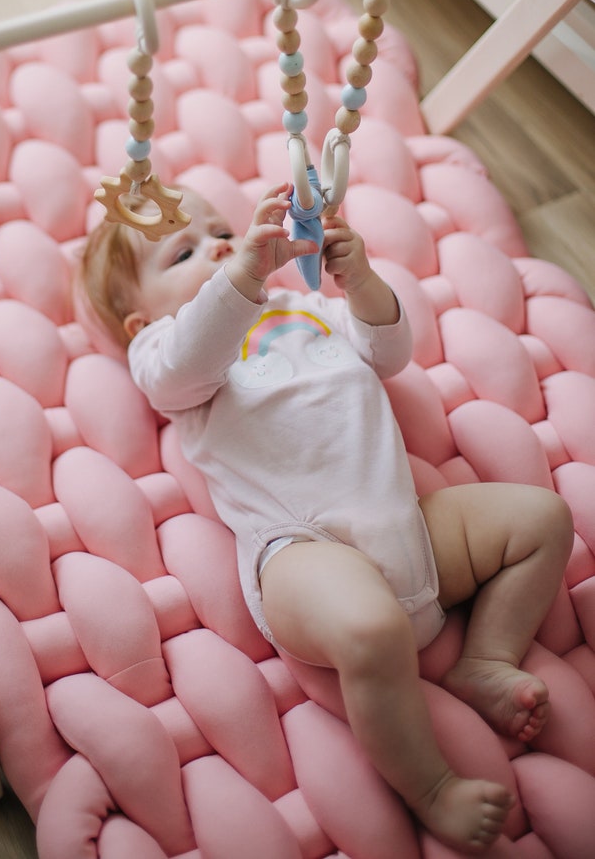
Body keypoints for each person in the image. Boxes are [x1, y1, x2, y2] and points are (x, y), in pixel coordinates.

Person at [78, 181, 574, 854]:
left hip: (408, 523)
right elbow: (185, 363)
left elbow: (388, 352)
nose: (220, 243)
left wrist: (360, 279)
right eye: (183, 253)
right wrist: (242, 274)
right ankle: (430, 787)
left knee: (542, 518)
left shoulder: (307, 306)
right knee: (370, 628)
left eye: (221, 227)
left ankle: (484, 659)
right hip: (301, 550)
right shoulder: (168, 351)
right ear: (140, 321)